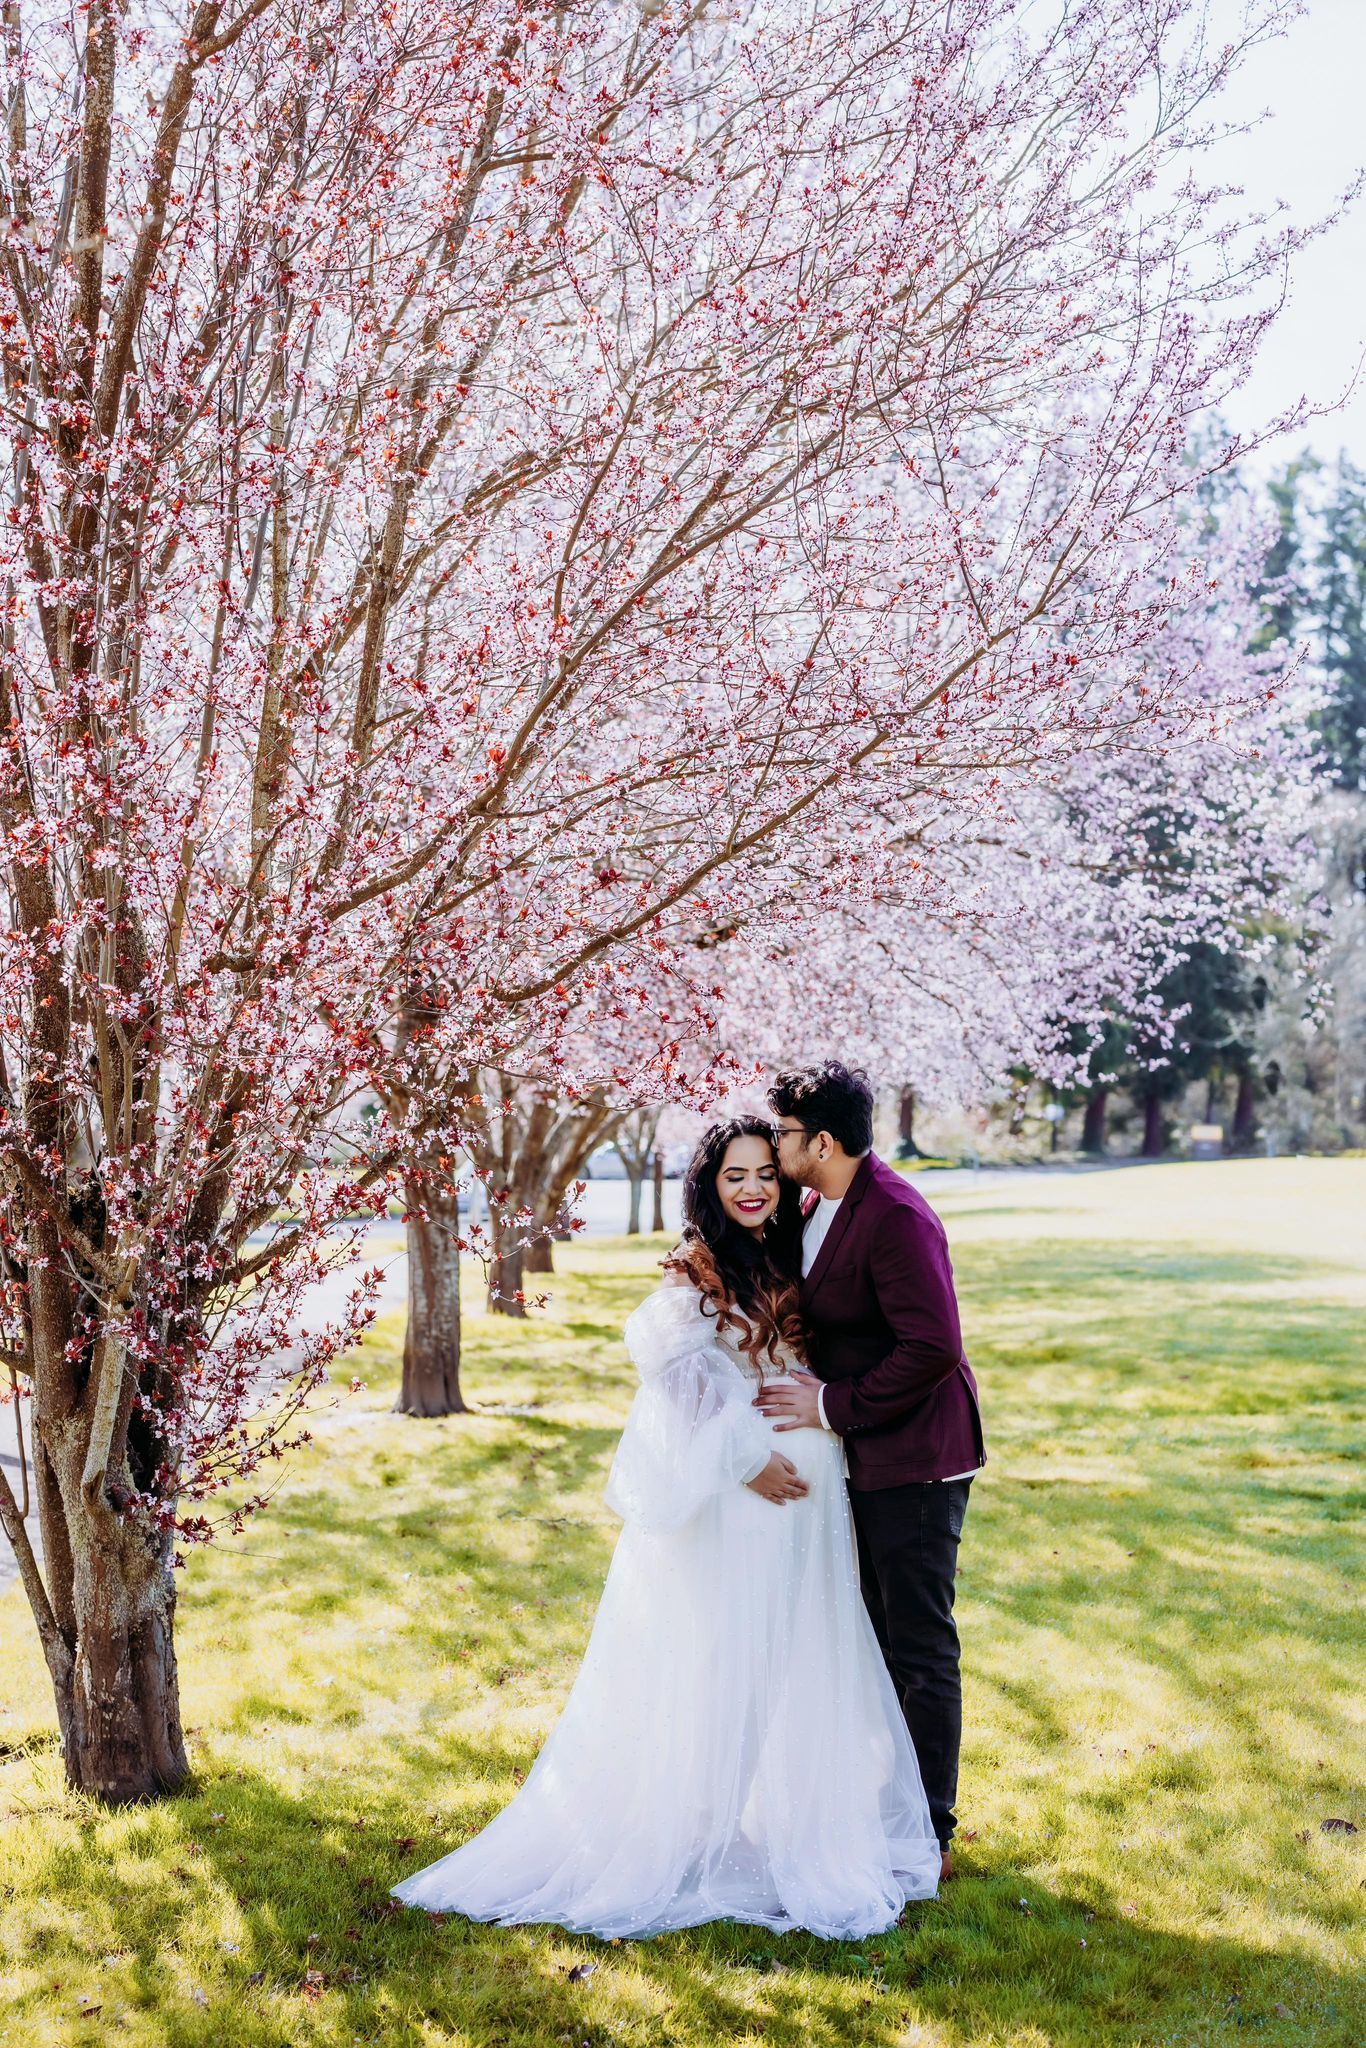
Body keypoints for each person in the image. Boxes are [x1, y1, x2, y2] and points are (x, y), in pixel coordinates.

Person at [392, 1115, 941, 1939]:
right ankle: (690, 1825)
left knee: (792, 1658)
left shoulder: (791, 1250)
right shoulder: (697, 1270)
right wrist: (745, 1460)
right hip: (747, 1498)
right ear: (708, 1187)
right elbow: (674, 1379)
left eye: (764, 1172)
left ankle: (768, 1816)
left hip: (812, 1499)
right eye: (734, 1176)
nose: (754, 1187)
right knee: (724, 1656)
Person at [757, 1063, 984, 1878]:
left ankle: (930, 1832)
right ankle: (888, 1810)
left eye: (782, 1131)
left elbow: (934, 1347)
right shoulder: (819, 1203)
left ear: (820, 1141)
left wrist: (828, 1406)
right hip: (864, 1456)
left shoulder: (895, 1216)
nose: (774, 1142)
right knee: (876, 1639)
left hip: (919, 1458)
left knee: (917, 1646)